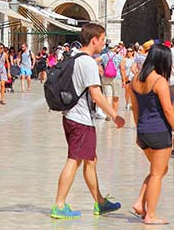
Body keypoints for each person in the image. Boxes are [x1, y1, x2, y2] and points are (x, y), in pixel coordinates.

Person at [50, 23, 124, 220]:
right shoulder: (88, 62)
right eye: (102, 39)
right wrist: (114, 115)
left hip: (71, 116)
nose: (103, 43)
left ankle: (100, 202)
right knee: (74, 160)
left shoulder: (75, 57)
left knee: (90, 160)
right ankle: (59, 204)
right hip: (80, 119)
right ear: (94, 40)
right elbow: (97, 95)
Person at [129, 43, 174, 225]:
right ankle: (150, 215)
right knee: (156, 173)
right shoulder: (159, 81)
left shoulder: (135, 79)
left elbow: (135, 109)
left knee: (160, 170)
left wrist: (139, 131)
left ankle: (140, 202)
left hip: (144, 131)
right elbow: (168, 110)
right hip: (159, 130)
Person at [100, 43, 123, 114]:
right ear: (115, 48)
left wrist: (101, 70)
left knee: (108, 96)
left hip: (106, 77)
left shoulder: (104, 56)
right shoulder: (119, 57)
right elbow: (122, 69)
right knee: (116, 97)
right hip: (117, 77)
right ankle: (114, 114)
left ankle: (108, 114)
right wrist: (124, 80)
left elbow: (95, 61)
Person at [121, 46, 139, 110]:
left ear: (133, 52)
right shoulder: (124, 59)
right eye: (128, 51)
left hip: (133, 77)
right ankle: (127, 102)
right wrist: (123, 78)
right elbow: (122, 69)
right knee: (127, 90)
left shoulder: (135, 59)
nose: (129, 52)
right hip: (127, 77)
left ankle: (132, 103)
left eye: (130, 51)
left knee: (133, 91)